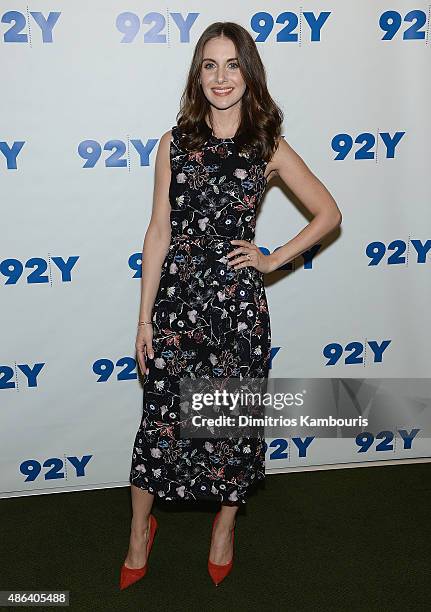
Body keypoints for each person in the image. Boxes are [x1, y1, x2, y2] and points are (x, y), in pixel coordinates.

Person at [120, 21, 342, 590]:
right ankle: (140, 531)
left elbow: (328, 213)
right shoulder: (175, 142)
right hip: (176, 307)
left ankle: (224, 529)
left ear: (249, 71)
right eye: (210, 65)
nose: (221, 77)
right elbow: (158, 231)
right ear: (198, 74)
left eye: (233, 64)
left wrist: (273, 259)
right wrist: (144, 318)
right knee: (161, 422)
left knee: (230, 427)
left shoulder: (266, 145)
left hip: (237, 313)